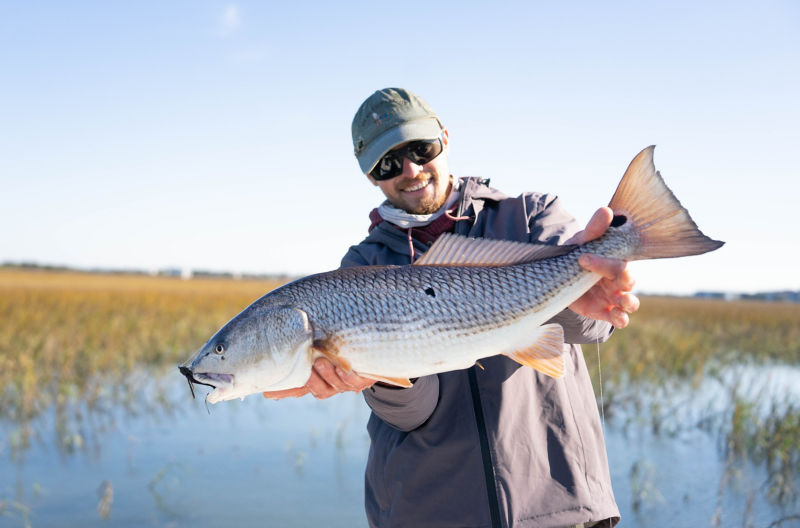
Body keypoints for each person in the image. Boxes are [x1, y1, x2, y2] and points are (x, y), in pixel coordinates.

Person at [264, 88, 639, 528]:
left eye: (420, 149)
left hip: (559, 508)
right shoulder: (362, 268)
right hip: (430, 512)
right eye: (388, 162)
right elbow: (413, 413)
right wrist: (377, 374)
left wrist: (588, 295)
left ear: (444, 136)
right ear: (371, 176)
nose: (410, 169)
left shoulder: (532, 216)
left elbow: (591, 329)